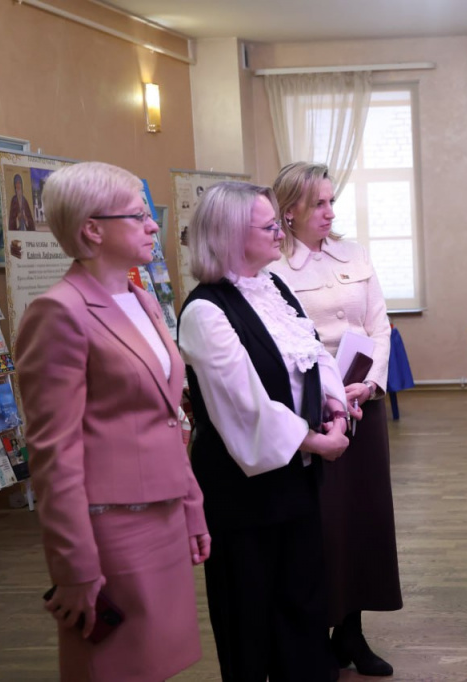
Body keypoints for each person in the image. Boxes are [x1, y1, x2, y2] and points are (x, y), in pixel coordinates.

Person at [14, 161, 210, 681]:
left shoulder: (141, 300)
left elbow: (167, 416)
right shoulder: (60, 312)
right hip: (110, 527)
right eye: (138, 216)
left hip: (163, 511)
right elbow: (53, 453)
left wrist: (191, 506)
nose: (153, 226)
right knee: (115, 666)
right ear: (92, 230)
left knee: (158, 662)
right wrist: (73, 566)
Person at [177, 181, 353, 681]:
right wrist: (318, 442)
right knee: (248, 613)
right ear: (231, 236)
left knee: (302, 601)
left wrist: (336, 406)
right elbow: (244, 405)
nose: (281, 233)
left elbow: (314, 353)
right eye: (270, 226)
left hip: (296, 474)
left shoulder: (272, 286)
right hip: (243, 489)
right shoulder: (205, 311)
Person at [269, 162, 401, 677]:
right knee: (323, 524)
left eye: (331, 201)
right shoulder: (274, 269)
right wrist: (328, 396)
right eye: (317, 203)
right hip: (315, 411)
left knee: (362, 519)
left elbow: (379, 327)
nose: (329, 212)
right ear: (289, 212)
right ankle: (318, 632)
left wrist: (370, 384)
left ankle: (352, 631)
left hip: (363, 402)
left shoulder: (355, 254)